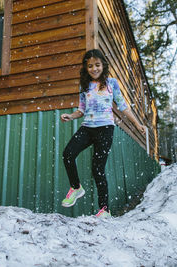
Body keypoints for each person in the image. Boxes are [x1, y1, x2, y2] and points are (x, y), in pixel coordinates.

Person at [60, 49, 146, 218]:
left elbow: (122, 106)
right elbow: (81, 110)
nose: (94, 69)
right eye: (90, 66)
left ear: (103, 65)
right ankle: (76, 188)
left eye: (97, 65)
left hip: (106, 128)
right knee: (68, 154)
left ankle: (104, 209)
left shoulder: (112, 83)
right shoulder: (84, 86)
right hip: (87, 127)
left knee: (97, 168)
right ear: (86, 68)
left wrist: (137, 124)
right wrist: (71, 116)